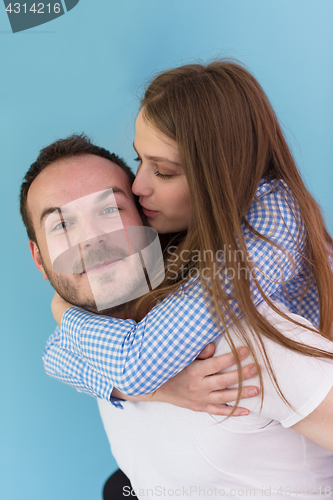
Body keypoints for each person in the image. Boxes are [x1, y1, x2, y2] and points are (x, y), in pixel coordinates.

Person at [20, 134, 259, 499]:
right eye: (63, 226)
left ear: (146, 218)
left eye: (109, 211)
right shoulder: (87, 338)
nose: (92, 241)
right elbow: (55, 357)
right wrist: (155, 390)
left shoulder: (240, 340)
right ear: (39, 260)